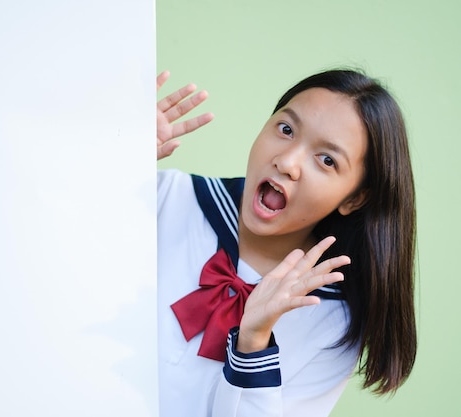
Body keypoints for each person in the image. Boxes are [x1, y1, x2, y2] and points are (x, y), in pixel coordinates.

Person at [156, 69, 417, 417]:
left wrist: (254, 343)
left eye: (327, 160)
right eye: (286, 130)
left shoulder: (332, 321)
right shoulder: (166, 197)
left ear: (354, 199)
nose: (288, 162)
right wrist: (103, 166)